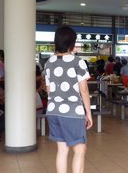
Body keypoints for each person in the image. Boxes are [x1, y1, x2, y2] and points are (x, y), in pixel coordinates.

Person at [44, 26, 92, 173]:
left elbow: (49, 90)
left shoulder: (49, 62)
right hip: (72, 112)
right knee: (80, 149)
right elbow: (83, 89)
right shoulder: (78, 62)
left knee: (62, 150)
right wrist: (88, 113)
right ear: (72, 43)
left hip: (53, 111)